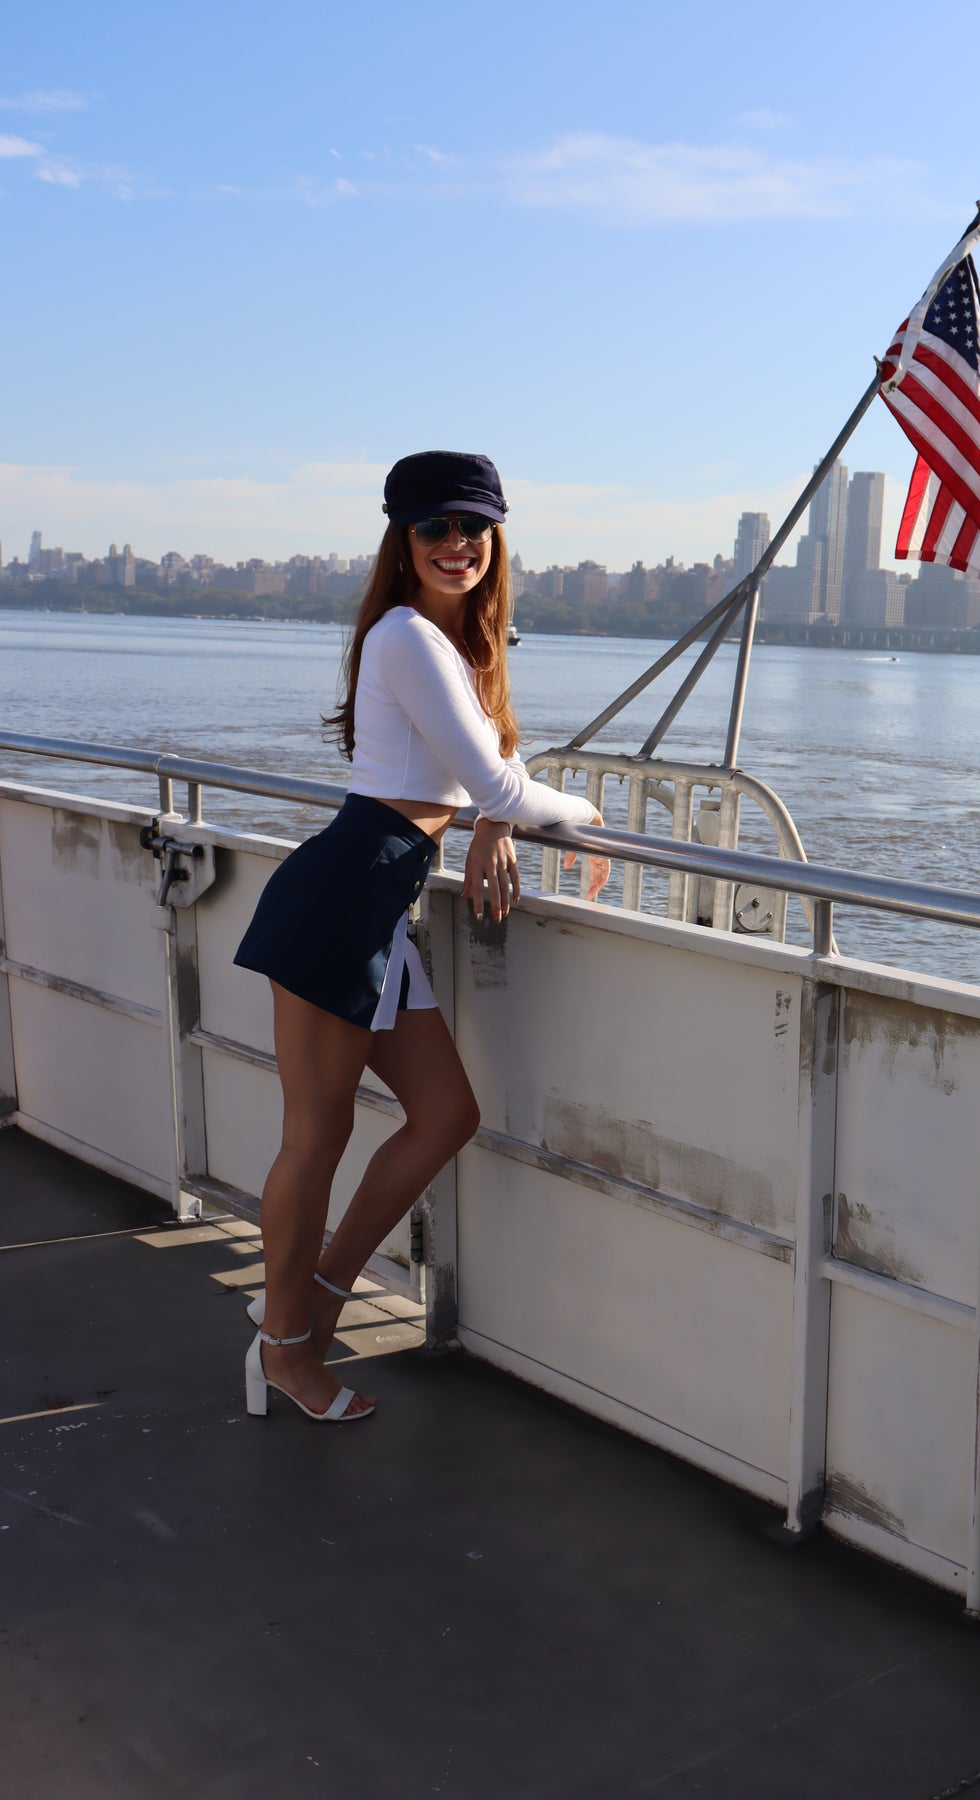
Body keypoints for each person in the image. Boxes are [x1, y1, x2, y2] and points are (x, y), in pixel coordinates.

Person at [233, 451, 608, 1422]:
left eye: (472, 527)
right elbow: (497, 781)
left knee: (445, 1115)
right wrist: (582, 812)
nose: (456, 545)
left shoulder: (459, 643)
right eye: (434, 527)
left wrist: (497, 820)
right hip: (343, 898)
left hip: (382, 907)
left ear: (496, 538)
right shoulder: (404, 634)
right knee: (316, 1137)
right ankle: (283, 1350)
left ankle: (316, 1294)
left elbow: (490, 768)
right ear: (402, 540)